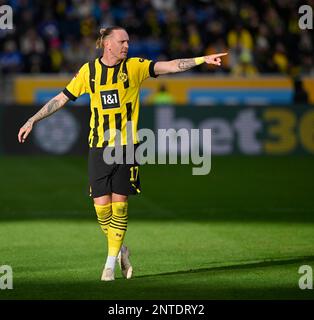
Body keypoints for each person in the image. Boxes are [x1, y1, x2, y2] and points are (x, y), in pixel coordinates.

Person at [18, 26, 227, 281]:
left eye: (128, 41)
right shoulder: (89, 72)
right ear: (108, 44)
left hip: (127, 146)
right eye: (122, 41)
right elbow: (61, 98)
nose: (127, 45)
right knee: (101, 208)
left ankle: (108, 265)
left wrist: (201, 60)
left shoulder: (135, 67)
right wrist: (33, 119)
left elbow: (170, 66)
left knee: (119, 204)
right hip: (98, 146)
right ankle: (121, 250)